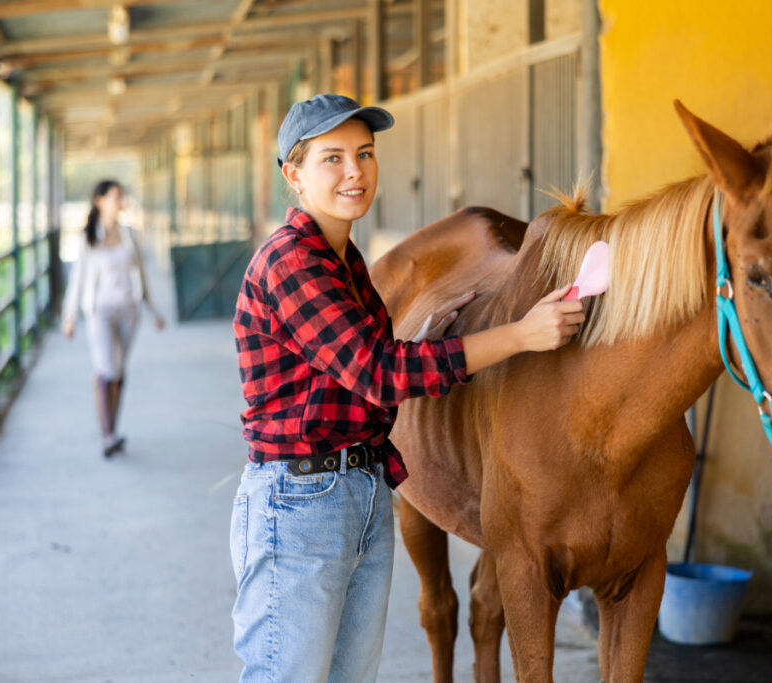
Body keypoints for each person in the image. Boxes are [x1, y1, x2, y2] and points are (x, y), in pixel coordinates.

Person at [230, 94, 584, 682]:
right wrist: (521, 335)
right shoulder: (292, 262)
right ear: (293, 175)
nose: (354, 171)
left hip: (358, 486)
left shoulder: (344, 259)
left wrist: (430, 337)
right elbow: (379, 373)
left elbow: (355, 367)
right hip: (300, 500)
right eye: (332, 158)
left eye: (365, 154)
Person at [62, 180, 165, 457]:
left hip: (129, 311)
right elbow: (77, 279)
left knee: (118, 370)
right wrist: (69, 316)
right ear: (100, 201)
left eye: (122, 196)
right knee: (106, 368)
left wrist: (153, 310)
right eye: (116, 196)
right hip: (100, 311)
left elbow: (142, 274)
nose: (121, 201)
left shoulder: (130, 234)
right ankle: (108, 436)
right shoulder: (88, 237)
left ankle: (113, 430)